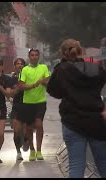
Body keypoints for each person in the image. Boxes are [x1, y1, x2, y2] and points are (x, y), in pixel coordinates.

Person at [47, 39, 106, 178]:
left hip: (72, 122)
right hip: (96, 122)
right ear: (81, 51)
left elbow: (54, 92)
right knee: (103, 164)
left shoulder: (61, 70)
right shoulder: (96, 68)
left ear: (63, 53)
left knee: (76, 165)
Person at [18, 48, 50, 161]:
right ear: (29, 56)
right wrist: (34, 85)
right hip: (28, 103)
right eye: (32, 55)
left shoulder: (44, 68)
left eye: (36, 55)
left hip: (40, 102)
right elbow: (21, 86)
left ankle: (39, 150)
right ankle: (32, 150)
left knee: (39, 124)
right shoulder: (25, 70)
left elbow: (48, 83)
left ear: (39, 56)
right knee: (29, 127)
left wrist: (44, 82)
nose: (34, 57)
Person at [10, 58, 26, 160]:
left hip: (27, 106)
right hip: (16, 106)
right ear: (14, 66)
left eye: (21, 64)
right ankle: (18, 152)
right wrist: (17, 88)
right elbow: (10, 93)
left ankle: (25, 141)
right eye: (17, 64)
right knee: (16, 130)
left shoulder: (27, 76)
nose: (19, 66)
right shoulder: (12, 79)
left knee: (24, 131)